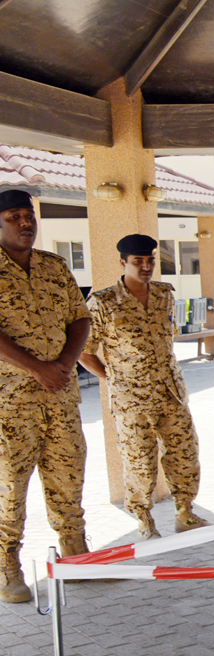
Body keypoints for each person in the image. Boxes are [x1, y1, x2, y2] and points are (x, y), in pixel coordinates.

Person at [80, 234, 208, 539]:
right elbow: (84, 352)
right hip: (132, 401)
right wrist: (113, 379)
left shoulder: (165, 295)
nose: (146, 266)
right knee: (140, 463)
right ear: (123, 263)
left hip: (171, 393)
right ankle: (144, 520)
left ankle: (184, 512)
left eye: (151, 260)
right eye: (138, 261)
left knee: (185, 454)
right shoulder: (103, 302)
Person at [0, 189, 90, 601]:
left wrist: (65, 363)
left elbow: (80, 318)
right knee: (9, 487)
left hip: (60, 396)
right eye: (14, 216)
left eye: (29, 215)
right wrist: (38, 368)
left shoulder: (54, 266)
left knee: (68, 474)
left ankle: (75, 555)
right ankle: (7, 569)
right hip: (10, 402)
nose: (25, 223)